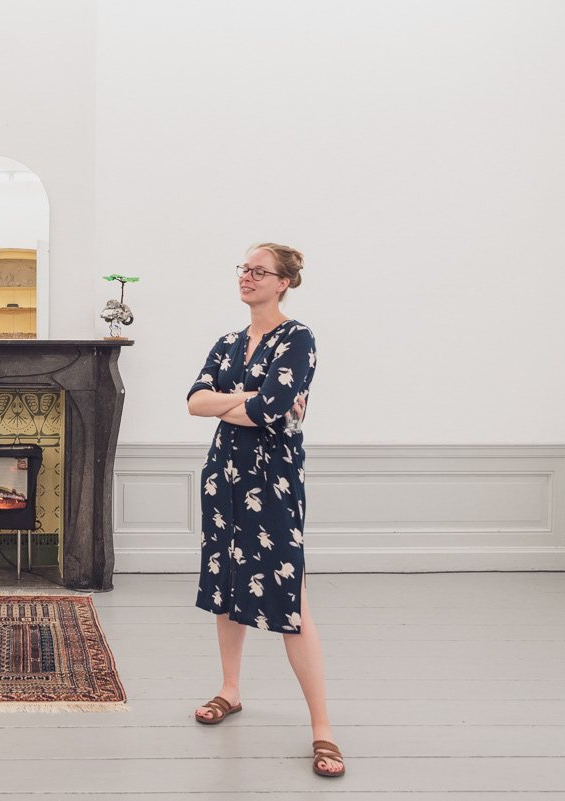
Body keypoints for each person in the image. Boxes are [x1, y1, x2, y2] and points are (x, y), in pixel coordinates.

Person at [185, 243, 344, 778]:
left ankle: (322, 729)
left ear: (284, 282)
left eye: (259, 271)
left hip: (273, 481)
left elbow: (270, 410)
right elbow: (194, 401)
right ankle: (230, 690)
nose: (247, 277)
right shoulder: (227, 342)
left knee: (290, 599)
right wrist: (249, 400)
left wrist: (236, 401)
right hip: (223, 477)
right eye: (244, 269)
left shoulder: (298, 338)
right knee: (227, 585)